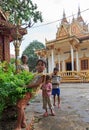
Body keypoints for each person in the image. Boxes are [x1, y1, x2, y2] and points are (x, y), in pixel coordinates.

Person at [15, 58, 46, 130]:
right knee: (20, 106)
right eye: (38, 65)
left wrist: (26, 86)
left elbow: (37, 84)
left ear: (45, 67)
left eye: (42, 65)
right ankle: (23, 123)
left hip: (30, 92)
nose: (40, 66)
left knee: (20, 106)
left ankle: (18, 126)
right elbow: (30, 80)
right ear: (36, 66)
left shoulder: (42, 75)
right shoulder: (35, 74)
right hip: (27, 91)